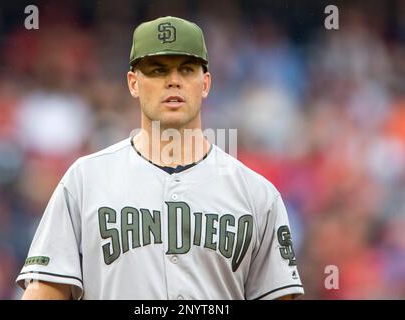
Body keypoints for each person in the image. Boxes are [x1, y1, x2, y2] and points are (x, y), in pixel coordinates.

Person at [17, 16, 304, 300]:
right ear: (133, 83)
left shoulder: (257, 194)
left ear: (205, 83)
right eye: (157, 70)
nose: (173, 81)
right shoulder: (84, 181)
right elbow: (44, 293)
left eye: (187, 69)